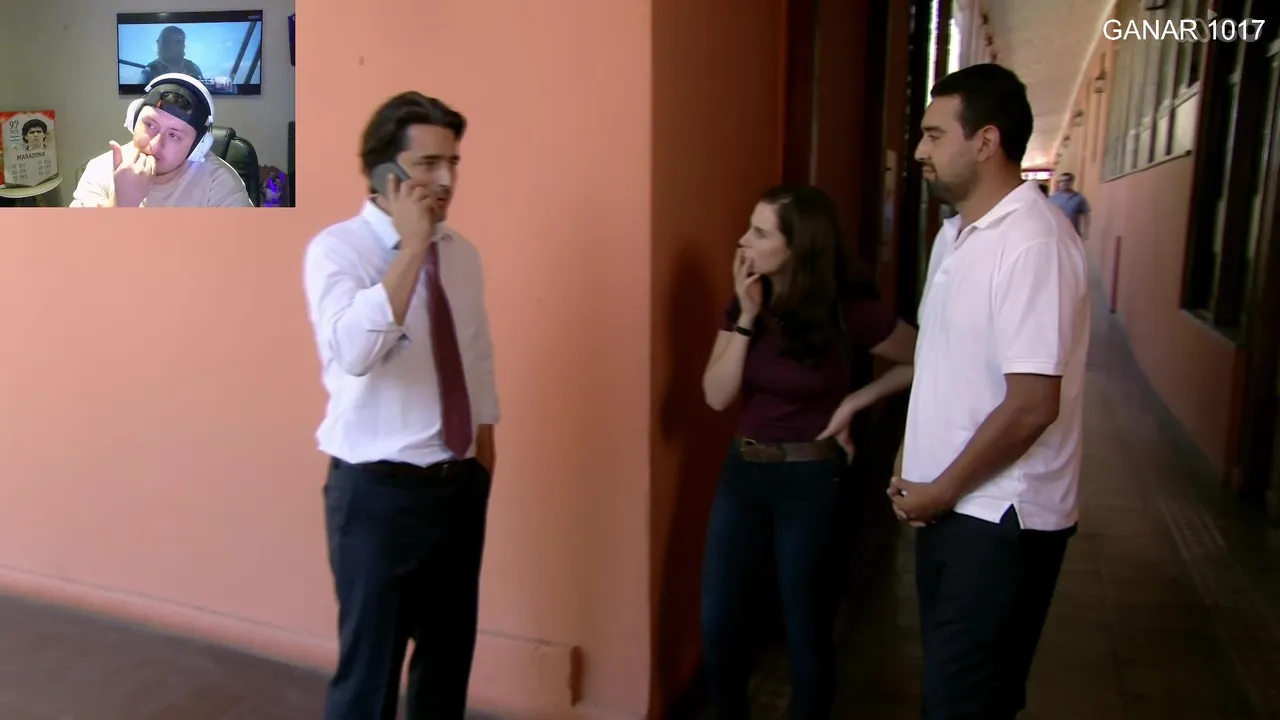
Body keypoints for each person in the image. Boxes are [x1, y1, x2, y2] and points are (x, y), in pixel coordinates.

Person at [889, 63, 1090, 720]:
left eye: (933, 135)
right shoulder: (956, 235)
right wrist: (912, 459)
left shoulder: (1032, 243)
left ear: (986, 141)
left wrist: (943, 488)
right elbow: (943, 363)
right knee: (957, 693)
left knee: (965, 702)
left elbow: (1032, 404)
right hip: (953, 507)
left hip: (1000, 519)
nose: (917, 151)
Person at [302, 91, 499, 720]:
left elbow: (475, 358)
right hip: (376, 497)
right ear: (386, 172)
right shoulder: (337, 251)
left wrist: (482, 459)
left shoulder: (462, 255)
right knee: (369, 681)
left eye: (453, 163)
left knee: (445, 669)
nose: (446, 181)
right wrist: (411, 250)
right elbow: (353, 352)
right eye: (428, 165)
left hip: (457, 489)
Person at [700, 185, 918, 719]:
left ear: (798, 246)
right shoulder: (746, 301)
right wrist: (747, 317)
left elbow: (925, 356)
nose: (743, 241)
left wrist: (856, 402)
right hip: (743, 474)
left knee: (805, 626)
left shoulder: (847, 310)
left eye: (760, 233)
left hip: (811, 481)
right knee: (720, 622)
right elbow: (716, 395)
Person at [70, 73, 251, 208]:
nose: (154, 145)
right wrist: (121, 203)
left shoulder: (221, 186)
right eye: (150, 125)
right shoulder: (100, 170)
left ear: (197, 147)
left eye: (174, 135)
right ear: (133, 121)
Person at [139, 26, 205, 85]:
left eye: (182, 42)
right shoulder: (150, 72)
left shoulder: (192, 67)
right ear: (165, 45)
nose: (182, 46)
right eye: (177, 42)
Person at [1048, 172, 1091, 238]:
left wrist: (1086, 232)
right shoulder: (1052, 199)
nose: (1064, 183)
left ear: (1071, 182)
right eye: (1061, 181)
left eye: (1066, 180)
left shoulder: (1079, 198)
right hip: (1057, 234)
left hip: (1073, 234)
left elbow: (1086, 215)